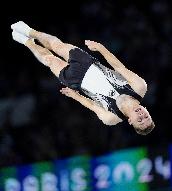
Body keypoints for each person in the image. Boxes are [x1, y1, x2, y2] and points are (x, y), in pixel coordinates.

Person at [11, 21, 155, 135]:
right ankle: (30, 31)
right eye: (146, 117)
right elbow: (119, 67)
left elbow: (92, 105)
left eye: (140, 120)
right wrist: (101, 48)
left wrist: (75, 96)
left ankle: (27, 42)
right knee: (56, 45)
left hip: (77, 82)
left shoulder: (111, 118)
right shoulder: (139, 87)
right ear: (147, 111)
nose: (142, 116)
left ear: (130, 121)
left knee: (49, 60)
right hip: (88, 63)